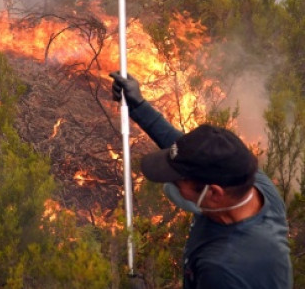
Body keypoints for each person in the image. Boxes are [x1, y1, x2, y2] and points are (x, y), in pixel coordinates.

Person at [110, 72, 292, 288]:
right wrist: (138, 105)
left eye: (179, 180)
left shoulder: (223, 269)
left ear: (213, 193)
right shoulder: (251, 183)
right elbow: (192, 154)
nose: (172, 183)